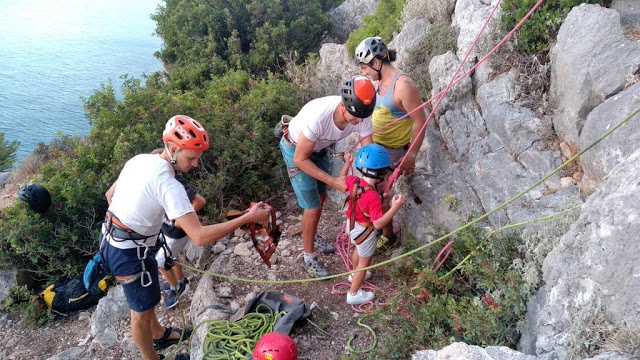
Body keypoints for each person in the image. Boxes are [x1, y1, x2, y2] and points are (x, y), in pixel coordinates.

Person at [102, 115, 271, 360]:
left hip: (115, 239)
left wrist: (144, 221)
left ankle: (159, 334)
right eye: (190, 157)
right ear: (172, 149)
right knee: (139, 312)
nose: (195, 165)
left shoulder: (139, 160)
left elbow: (110, 195)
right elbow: (199, 237)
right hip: (129, 252)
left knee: (148, 300)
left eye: (197, 158)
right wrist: (246, 218)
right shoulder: (169, 184)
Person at [279, 75, 376, 278]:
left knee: (321, 197)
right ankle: (308, 258)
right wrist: (334, 181)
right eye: (354, 118)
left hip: (319, 148)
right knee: (312, 206)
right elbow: (300, 159)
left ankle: (312, 235)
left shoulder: (361, 115)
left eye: (362, 118)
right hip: (296, 149)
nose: (359, 122)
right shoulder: (319, 118)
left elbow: (369, 152)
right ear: (343, 107)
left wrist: (372, 182)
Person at [355, 36, 427, 253]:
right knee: (370, 191)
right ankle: (381, 226)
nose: (364, 72)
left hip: (393, 152)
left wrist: (412, 155)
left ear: (376, 63)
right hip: (376, 147)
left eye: (365, 68)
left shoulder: (403, 86)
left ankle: (388, 235)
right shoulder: (376, 82)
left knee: (379, 194)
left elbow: (420, 122)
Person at [339, 144, 405, 305]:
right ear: (381, 172)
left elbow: (340, 180)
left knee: (357, 250)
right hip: (364, 230)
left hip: (352, 225)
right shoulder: (373, 196)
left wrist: (347, 164)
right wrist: (395, 207)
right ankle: (354, 293)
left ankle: (354, 275)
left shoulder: (354, 181)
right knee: (364, 262)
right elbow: (378, 223)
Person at [148, 148, 207, 309]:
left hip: (177, 232)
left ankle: (178, 286)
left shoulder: (175, 183)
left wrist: (182, 220)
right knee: (169, 257)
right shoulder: (158, 181)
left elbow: (200, 201)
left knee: (160, 262)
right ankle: (179, 280)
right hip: (167, 229)